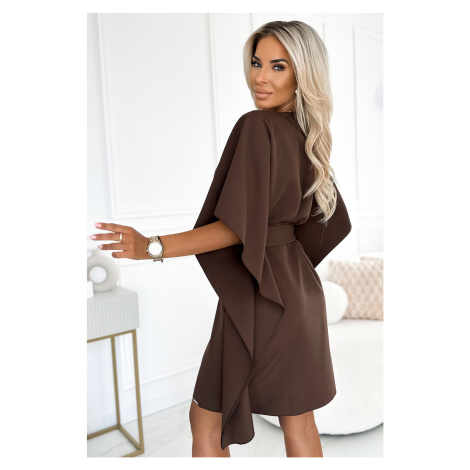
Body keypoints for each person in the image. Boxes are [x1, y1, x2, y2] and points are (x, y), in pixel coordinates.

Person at [89, 20, 352, 457]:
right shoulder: (307, 137)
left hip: (259, 297)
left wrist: (151, 246)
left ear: (302, 74)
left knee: (207, 421)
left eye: (278, 66)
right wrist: (286, 261)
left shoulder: (257, 126)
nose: (259, 77)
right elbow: (334, 222)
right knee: (299, 421)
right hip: (300, 296)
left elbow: (237, 227)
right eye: (256, 62)